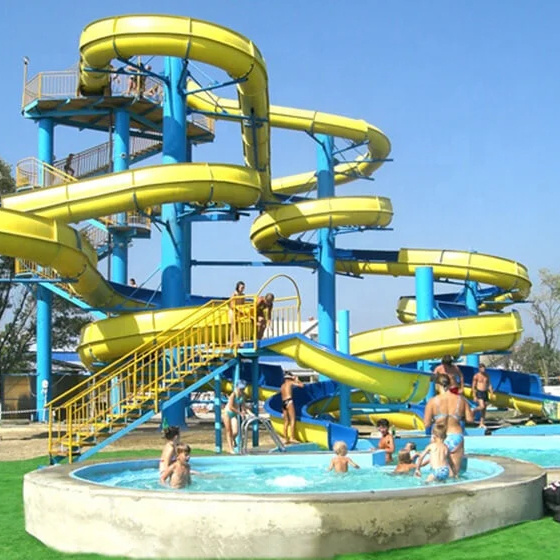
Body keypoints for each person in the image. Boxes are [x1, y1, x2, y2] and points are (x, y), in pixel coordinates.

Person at [424, 373, 474, 475]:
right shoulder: (461, 400)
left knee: (436, 473)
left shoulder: (432, 402)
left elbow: (427, 424)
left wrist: (436, 420)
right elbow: (470, 419)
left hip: (438, 437)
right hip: (455, 436)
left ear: (437, 385)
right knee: (454, 474)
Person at [222, 380, 247, 454]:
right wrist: (239, 413)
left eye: (243, 388)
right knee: (229, 431)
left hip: (234, 414)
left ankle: (232, 440)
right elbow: (230, 406)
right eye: (240, 389)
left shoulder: (243, 395)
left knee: (236, 431)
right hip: (227, 413)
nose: (242, 390)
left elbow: (243, 405)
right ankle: (230, 449)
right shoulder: (233, 395)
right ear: (237, 387)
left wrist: (244, 412)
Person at [280, 372, 304, 444]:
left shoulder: (282, 386)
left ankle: (285, 438)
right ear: (290, 378)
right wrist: (297, 379)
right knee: (292, 420)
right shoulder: (290, 383)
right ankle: (292, 438)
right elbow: (302, 385)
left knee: (286, 421)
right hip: (289, 401)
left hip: (283, 402)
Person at [472, 364, 494, 428]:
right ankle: (474, 410)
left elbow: (489, 384)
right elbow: (473, 386)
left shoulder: (487, 375)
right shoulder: (476, 376)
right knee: (482, 406)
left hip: (485, 392)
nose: (483, 369)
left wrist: (491, 393)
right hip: (479, 392)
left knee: (484, 409)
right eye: (482, 368)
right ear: (479, 369)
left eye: (484, 368)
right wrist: (474, 396)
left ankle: (481, 423)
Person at [229, 281, 246, 346]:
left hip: (239, 311)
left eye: (243, 288)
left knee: (238, 326)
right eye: (241, 287)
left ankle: (237, 341)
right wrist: (237, 310)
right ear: (238, 287)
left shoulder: (243, 295)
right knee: (233, 326)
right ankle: (231, 341)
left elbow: (243, 304)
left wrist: (242, 311)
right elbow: (231, 305)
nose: (242, 289)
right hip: (233, 311)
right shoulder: (234, 294)